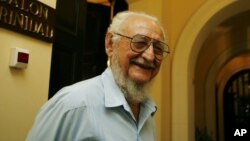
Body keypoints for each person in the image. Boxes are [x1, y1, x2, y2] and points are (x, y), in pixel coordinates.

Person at [26, 11, 169, 141]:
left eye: (158, 48)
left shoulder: (148, 113)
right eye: (139, 43)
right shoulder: (72, 104)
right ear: (110, 44)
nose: (150, 56)